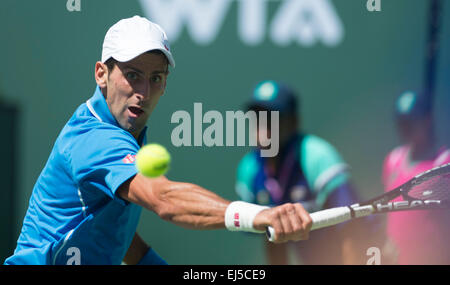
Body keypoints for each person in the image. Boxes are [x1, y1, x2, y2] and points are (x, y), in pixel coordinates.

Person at [4, 16, 313, 265]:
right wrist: (257, 215)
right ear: (101, 74)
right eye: (132, 75)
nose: (144, 92)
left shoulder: (125, 131)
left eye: (156, 78)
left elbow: (113, 234)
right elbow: (164, 200)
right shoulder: (95, 139)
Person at [235, 80, 365, 265]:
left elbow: (353, 230)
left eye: (271, 117)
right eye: (257, 117)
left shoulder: (318, 158)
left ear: (294, 122)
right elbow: (272, 239)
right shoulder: (250, 169)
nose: (262, 126)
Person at [381, 90, 450, 265]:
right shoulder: (393, 160)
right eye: (401, 123)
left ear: (427, 121)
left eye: (411, 122)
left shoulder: (444, 163)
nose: (406, 128)